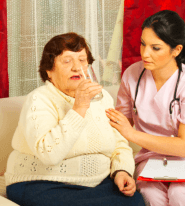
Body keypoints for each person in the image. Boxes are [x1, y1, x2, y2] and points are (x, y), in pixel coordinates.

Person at [5, 32, 145, 206]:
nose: (76, 67)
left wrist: (121, 171)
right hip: (41, 183)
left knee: (135, 201)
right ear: (49, 70)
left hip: (95, 184)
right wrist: (79, 107)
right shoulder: (39, 99)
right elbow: (49, 154)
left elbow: (120, 144)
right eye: (67, 61)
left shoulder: (102, 98)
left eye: (82, 60)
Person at [105, 10, 185, 206]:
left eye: (156, 48)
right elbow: (119, 129)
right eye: (143, 44)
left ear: (176, 50)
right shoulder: (131, 76)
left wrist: (132, 134)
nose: (145, 53)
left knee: (182, 194)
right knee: (150, 195)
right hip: (153, 158)